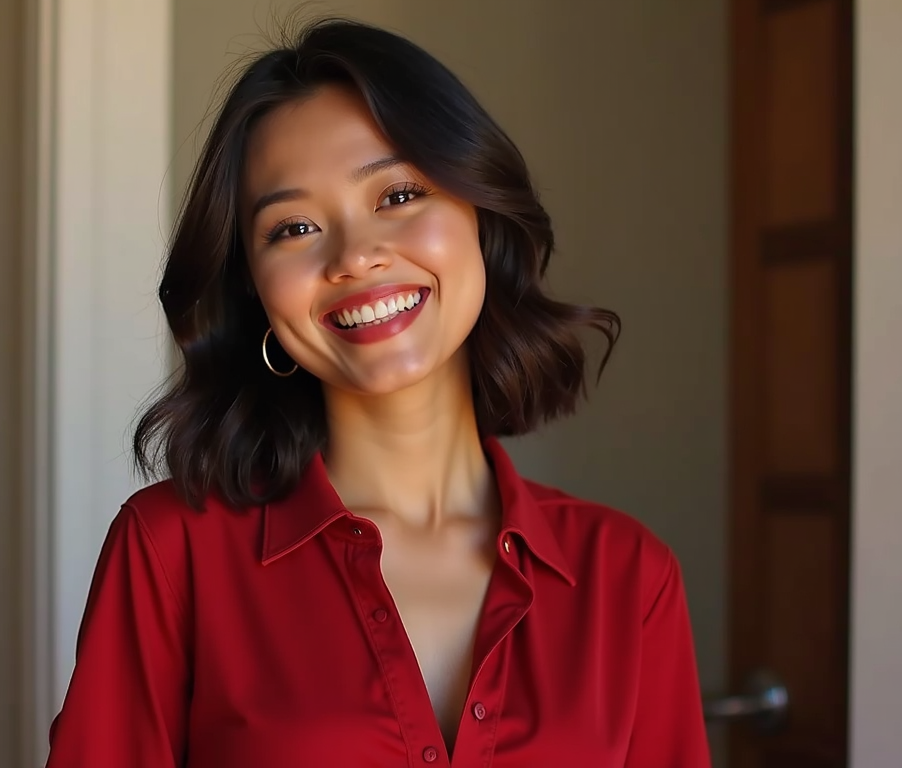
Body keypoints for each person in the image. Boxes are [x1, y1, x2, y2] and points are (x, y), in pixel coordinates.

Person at [45, 16, 711, 768]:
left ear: (478, 214)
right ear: (255, 290)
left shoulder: (628, 574)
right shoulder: (171, 552)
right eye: (292, 227)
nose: (356, 257)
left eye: (396, 195)